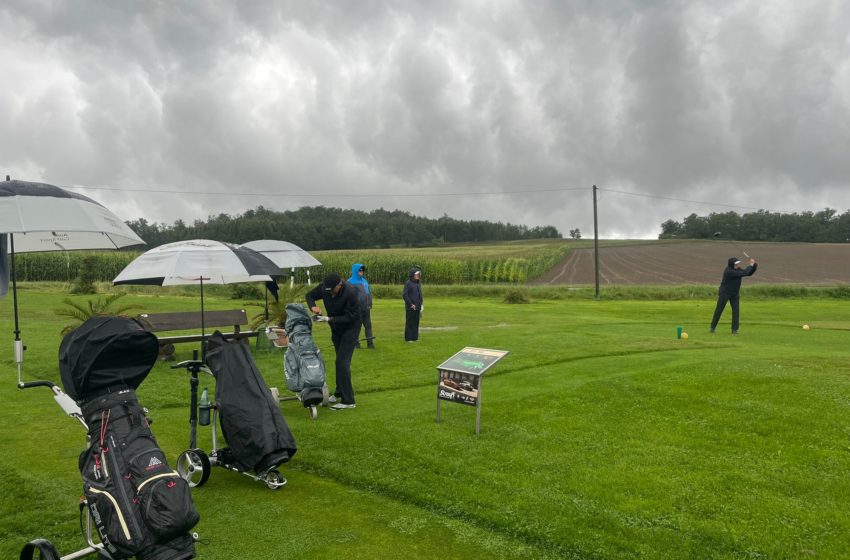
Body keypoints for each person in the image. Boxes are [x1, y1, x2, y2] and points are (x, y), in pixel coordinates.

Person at [305, 272, 361, 410]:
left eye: (332, 290)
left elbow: (352, 317)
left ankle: (349, 401)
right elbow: (310, 296)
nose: (330, 293)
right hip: (336, 329)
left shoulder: (351, 293)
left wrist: (329, 319)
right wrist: (313, 306)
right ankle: (339, 392)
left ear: (339, 285)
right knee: (339, 361)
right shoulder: (325, 288)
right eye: (327, 290)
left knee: (342, 362)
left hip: (351, 329)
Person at [710, 256, 758, 334]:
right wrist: (750, 265)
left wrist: (754, 266)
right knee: (719, 310)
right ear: (731, 264)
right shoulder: (729, 271)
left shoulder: (738, 269)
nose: (738, 265)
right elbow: (744, 272)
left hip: (735, 294)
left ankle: (734, 330)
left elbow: (748, 273)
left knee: (736, 311)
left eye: (738, 264)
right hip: (725, 293)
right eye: (736, 264)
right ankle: (712, 327)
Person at [348, 263, 374, 349]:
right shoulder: (350, 282)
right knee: (356, 327)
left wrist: (370, 303)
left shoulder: (364, 281)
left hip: (366, 308)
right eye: (360, 270)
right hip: (357, 309)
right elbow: (348, 296)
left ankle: (370, 344)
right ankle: (356, 345)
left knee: (368, 326)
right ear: (355, 271)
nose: (362, 271)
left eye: (363, 270)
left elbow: (368, 293)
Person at [403, 267, 423, 342]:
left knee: (416, 322)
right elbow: (405, 295)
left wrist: (421, 303)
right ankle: (408, 338)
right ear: (412, 275)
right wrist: (411, 304)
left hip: (417, 306)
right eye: (417, 274)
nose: (418, 276)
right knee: (410, 322)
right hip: (410, 307)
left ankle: (415, 337)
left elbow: (419, 294)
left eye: (418, 274)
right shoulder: (408, 283)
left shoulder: (418, 283)